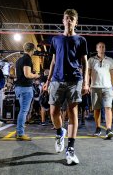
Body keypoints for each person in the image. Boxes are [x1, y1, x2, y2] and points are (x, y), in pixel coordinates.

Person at [43, 9, 89, 165]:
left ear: (76, 22)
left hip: (75, 80)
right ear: (63, 21)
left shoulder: (81, 40)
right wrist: (48, 80)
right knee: (53, 111)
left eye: (72, 19)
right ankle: (59, 132)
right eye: (67, 18)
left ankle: (70, 149)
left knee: (72, 112)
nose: (69, 21)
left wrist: (86, 82)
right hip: (56, 79)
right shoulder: (56, 39)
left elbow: (85, 62)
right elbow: (54, 61)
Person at [88, 42, 113, 139]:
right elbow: (87, 74)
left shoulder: (110, 60)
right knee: (96, 109)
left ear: (105, 49)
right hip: (95, 87)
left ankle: (108, 129)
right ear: (96, 49)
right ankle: (98, 128)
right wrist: (87, 85)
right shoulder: (91, 60)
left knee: (108, 108)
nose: (101, 48)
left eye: (103, 47)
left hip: (107, 87)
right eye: (99, 47)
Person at [15, 42, 41, 141]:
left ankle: (18, 131)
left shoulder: (19, 60)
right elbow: (27, 75)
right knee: (24, 111)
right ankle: (20, 133)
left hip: (19, 87)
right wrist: (36, 76)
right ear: (32, 50)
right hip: (25, 88)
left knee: (22, 111)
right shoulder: (27, 59)